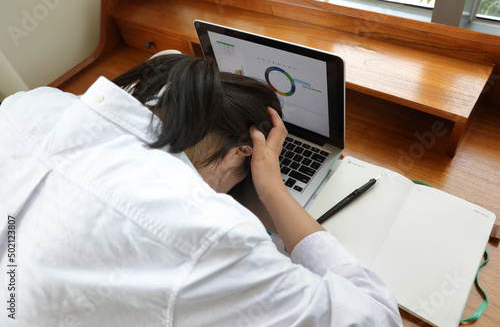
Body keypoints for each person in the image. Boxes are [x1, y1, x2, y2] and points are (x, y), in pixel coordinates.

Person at [0, 53, 402, 326]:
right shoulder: (209, 234)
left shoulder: (30, 104)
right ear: (239, 156)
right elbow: (377, 317)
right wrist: (274, 190)